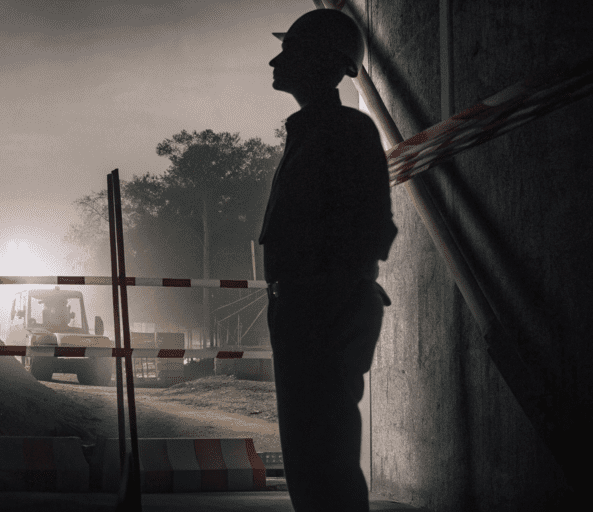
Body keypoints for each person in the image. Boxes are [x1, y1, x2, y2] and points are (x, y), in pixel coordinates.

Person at [259, 8, 397, 512]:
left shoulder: (345, 132)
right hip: (308, 307)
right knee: (309, 451)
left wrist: (322, 292)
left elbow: (371, 229)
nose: (277, 59)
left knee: (325, 451)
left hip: (323, 308)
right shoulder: (315, 130)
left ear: (323, 61)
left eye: (290, 49)